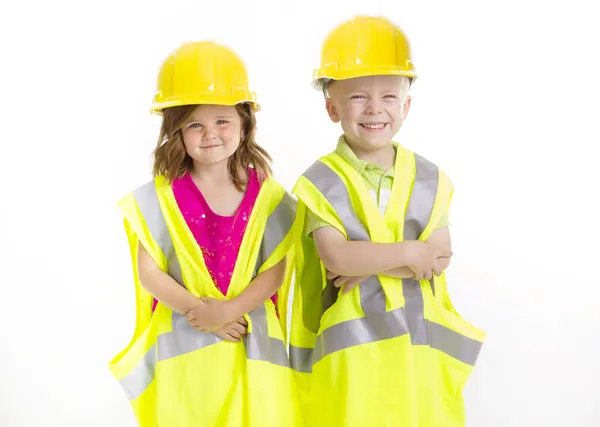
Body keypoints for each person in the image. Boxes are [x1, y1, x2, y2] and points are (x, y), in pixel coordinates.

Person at [289, 16, 486, 427]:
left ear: (406, 106)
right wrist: (412, 253)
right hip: (353, 359)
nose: (375, 109)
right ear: (332, 107)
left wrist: (374, 262)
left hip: (419, 356)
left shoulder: (430, 177)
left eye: (389, 97)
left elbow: (440, 257)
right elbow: (338, 258)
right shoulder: (319, 182)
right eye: (358, 97)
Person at [109, 40, 303, 427]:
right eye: (194, 124)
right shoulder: (159, 199)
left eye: (222, 121)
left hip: (248, 338)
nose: (209, 133)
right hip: (187, 344)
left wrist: (229, 311)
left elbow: (276, 269)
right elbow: (149, 272)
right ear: (175, 130)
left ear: (245, 122)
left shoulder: (269, 195)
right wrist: (203, 314)